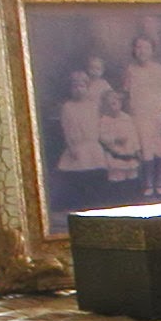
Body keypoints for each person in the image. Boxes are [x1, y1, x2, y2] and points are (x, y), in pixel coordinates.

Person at [122, 34, 161, 198]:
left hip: (157, 116)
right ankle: (147, 183)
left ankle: (159, 183)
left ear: (152, 50)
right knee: (145, 152)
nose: (142, 51)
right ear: (134, 50)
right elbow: (126, 94)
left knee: (160, 151)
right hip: (139, 116)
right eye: (138, 47)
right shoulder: (130, 70)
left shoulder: (160, 70)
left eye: (146, 47)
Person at [54, 69, 107, 216]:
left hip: (92, 146)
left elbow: (99, 125)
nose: (78, 90)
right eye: (75, 86)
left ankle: (94, 207)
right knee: (76, 178)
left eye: (82, 86)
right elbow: (66, 128)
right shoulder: (67, 107)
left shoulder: (93, 106)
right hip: (76, 146)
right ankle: (77, 207)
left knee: (94, 177)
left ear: (87, 88)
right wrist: (71, 146)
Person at [97, 89, 142, 199]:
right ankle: (118, 197)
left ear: (120, 103)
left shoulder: (127, 118)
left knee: (131, 174)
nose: (113, 107)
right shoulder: (104, 121)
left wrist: (137, 149)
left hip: (129, 152)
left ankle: (131, 196)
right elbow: (102, 137)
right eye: (109, 105)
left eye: (115, 103)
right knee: (117, 175)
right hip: (115, 153)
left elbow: (134, 135)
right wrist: (115, 139)